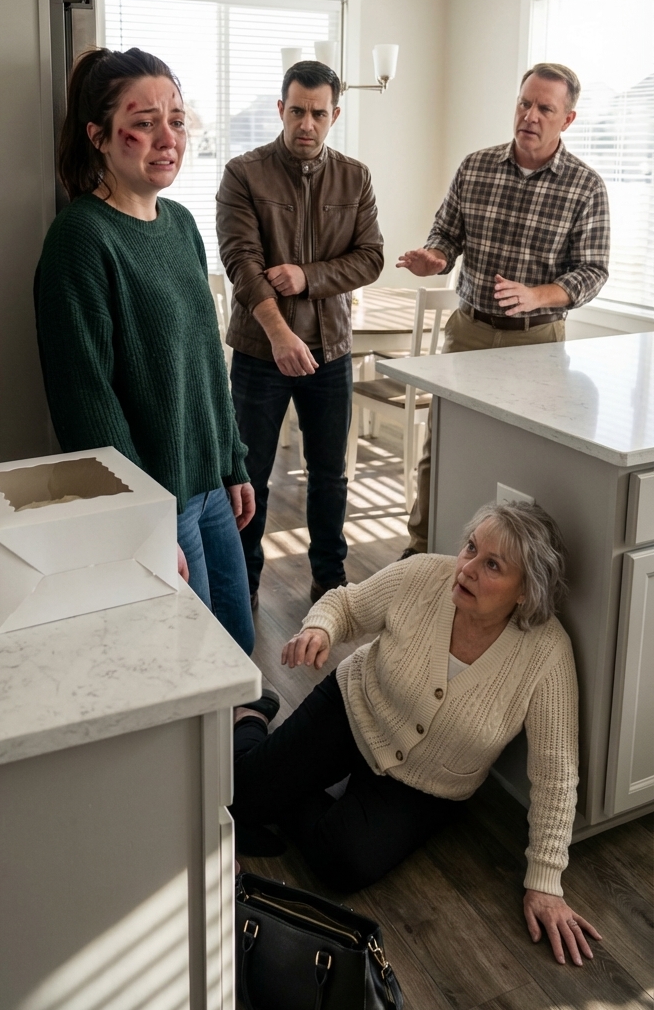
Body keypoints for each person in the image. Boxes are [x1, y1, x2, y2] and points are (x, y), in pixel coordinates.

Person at [232, 501, 602, 968]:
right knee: (240, 794)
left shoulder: (548, 654)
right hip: (355, 708)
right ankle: (251, 717)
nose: (467, 568)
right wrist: (321, 630)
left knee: (342, 864)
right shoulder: (425, 575)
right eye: (471, 548)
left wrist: (544, 880)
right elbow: (346, 604)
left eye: (492, 565)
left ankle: (287, 781)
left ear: (526, 591)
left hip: (427, 782)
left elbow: (556, 772)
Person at [35, 46, 255, 655]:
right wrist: (143, 521)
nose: (168, 138)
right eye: (144, 122)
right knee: (194, 659)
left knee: (236, 643)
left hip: (208, 484)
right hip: (157, 499)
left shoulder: (181, 223)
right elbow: (86, 403)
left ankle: (247, 744)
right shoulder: (80, 239)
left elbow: (207, 361)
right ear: (99, 136)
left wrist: (232, 462)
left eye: (177, 120)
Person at [398, 62, 610, 554]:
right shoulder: (475, 166)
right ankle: (419, 551)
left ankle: (503, 565)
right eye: (524, 103)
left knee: (523, 461)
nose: (530, 115)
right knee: (443, 449)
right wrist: (435, 258)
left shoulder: (585, 186)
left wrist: (541, 295)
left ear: (567, 119)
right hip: (468, 333)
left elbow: (593, 270)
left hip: (537, 344)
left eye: (544, 108)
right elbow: (446, 235)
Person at [216, 60, 384, 606]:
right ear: (279, 109)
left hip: (331, 351)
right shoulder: (243, 173)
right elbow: (241, 262)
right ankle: (243, 586)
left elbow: (372, 258)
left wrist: (308, 277)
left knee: (330, 476)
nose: (305, 124)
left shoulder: (355, 177)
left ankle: (329, 583)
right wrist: (281, 335)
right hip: (261, 352)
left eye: (317, 113)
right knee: (249, 477)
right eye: (296, 111)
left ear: (335, 114)